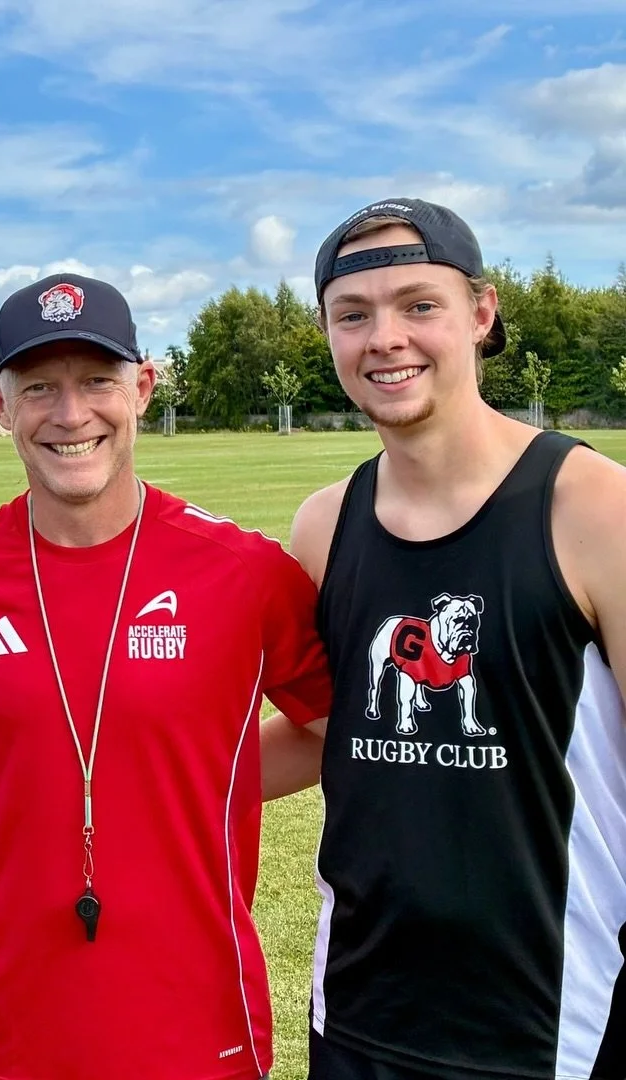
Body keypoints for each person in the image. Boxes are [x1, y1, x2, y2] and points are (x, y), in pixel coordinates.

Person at [0, 273, 334, 1080]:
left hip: (199, 1023)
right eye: (40, 387)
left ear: (143, 388)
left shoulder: (248, 574)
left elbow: (352, 737)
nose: (70, 414)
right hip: (9, 1026)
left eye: (96, 382)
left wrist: (190, 780)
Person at [267, 197, 626, 1079]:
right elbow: (329, 732)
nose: (385, 337)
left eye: (419, 305)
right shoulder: (324, 526)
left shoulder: (595, 510)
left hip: (555, 1025)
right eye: (353, 316)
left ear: (481, 312)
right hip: (355, 1011)